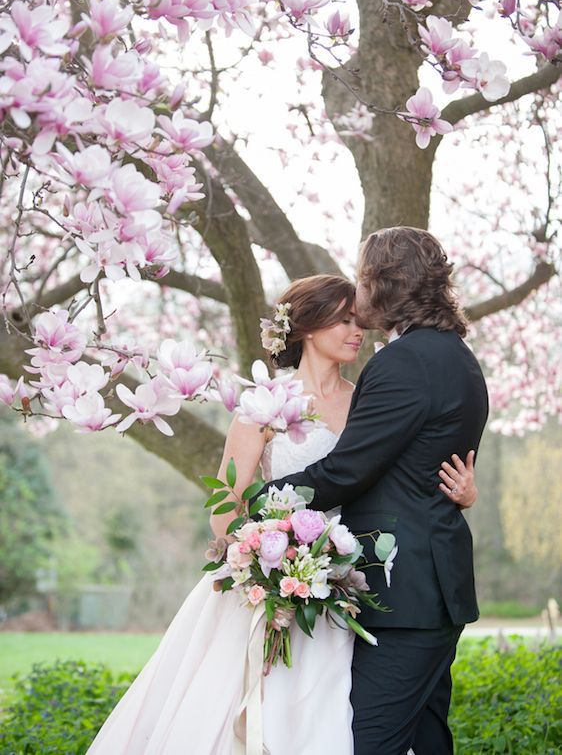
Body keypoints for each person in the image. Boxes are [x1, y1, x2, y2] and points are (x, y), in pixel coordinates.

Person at [87, 272, 477, 755]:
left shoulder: (368, 401)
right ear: (309, 328)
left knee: (341, 725)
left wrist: (462, 493)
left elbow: (401, 478)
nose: (358, 330)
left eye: (360, 320)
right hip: (274, 588)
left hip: (352, 589)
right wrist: (271, 559)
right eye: (344, 320)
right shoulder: (265, 403)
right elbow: (225, 506)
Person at [272, 229, 489, 755]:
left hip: (406, 592)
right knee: (427, 737)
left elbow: (348, 471)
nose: (357, 298)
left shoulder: (404, 364)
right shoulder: (457, 356)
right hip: (433, 586)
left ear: (383, 284)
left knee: (373, 742)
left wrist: (262, 503)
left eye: (363, 280)